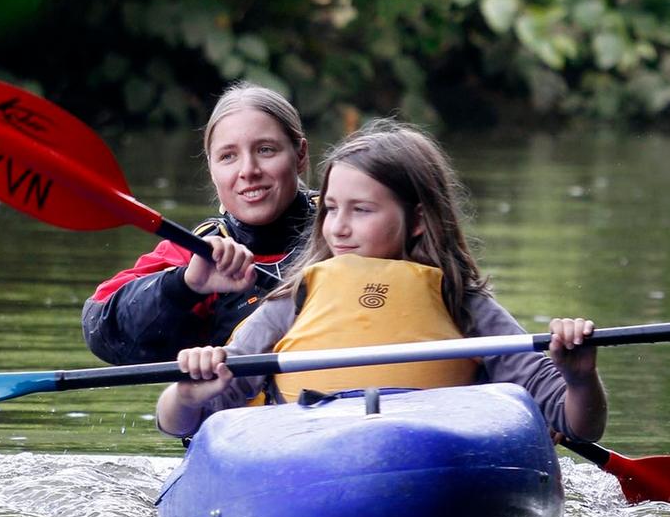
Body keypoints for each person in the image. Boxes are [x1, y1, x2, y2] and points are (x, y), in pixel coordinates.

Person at [156, 119, 608, 441]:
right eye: (331, 208)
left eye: (362, 210)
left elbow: (577, 425)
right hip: (309, 454)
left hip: (435, 454)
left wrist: (581, 379)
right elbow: (181, 423)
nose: (338, 227)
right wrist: (186, 393)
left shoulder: (461, 303)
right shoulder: (293, 301)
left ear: (416, 220)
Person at [81, 82, 315, 365]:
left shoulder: (350, 224)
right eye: (228, 156)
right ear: (212, 169)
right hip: (246, 405)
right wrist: (185, 285)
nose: (248, 171)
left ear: (300, 155)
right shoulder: (197, 254)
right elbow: (100, 327)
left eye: (265, 150)